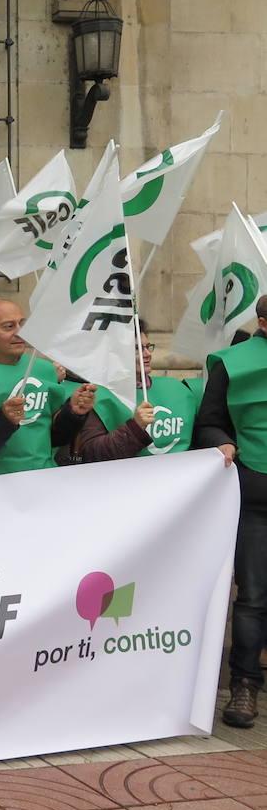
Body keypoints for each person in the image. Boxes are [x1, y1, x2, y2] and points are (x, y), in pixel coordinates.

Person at [194, 296, 267, 728]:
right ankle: (244, 686)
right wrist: (221, 442)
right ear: (261, 321)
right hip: (255, 497)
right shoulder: (231, 363)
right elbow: (208, 421)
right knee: (254, 599)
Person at [0, 300, 94, 476]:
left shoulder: (43, 369)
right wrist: (3, 421)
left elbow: (54, 437)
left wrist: (73, 414)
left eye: (23, 324)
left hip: (43, 477)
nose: (20, 332)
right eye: (8, 326)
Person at [76, 325, 195, 461]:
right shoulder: (98, 395)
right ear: (116, 353)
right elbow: (91, 454)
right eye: (137, 349)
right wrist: (135, 427)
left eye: (148, 347)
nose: (148, 354)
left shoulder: (177, 388)